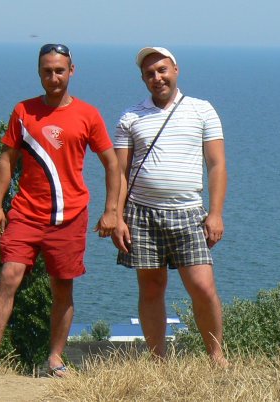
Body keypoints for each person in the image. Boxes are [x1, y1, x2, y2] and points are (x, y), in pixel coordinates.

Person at [0, 44, 120, 375]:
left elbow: (112, 163)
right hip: (26, 213)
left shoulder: (88, 114)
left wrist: (112, 210)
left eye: (60, 70)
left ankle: (55, 358)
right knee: (9, 276)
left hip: (69, 216)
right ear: (39, 72)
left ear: (71, 71)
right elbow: (7, 160)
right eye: (47, 71)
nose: (54, 77)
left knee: (62, 286)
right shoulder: (23, 111)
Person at [111, 47, 229, 366]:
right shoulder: (130, 117)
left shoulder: (202, 110)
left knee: (203, 287)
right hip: (141, 213)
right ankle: (158, 362)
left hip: (189, 212)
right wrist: (117, 217)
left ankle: (217, 357)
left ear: (176, 70)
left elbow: (216, 165)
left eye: (162, 70)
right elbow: (120, 173)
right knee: (151, 289)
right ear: (143, 79)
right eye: (149, 73)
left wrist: (215, 213)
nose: (157, 77)